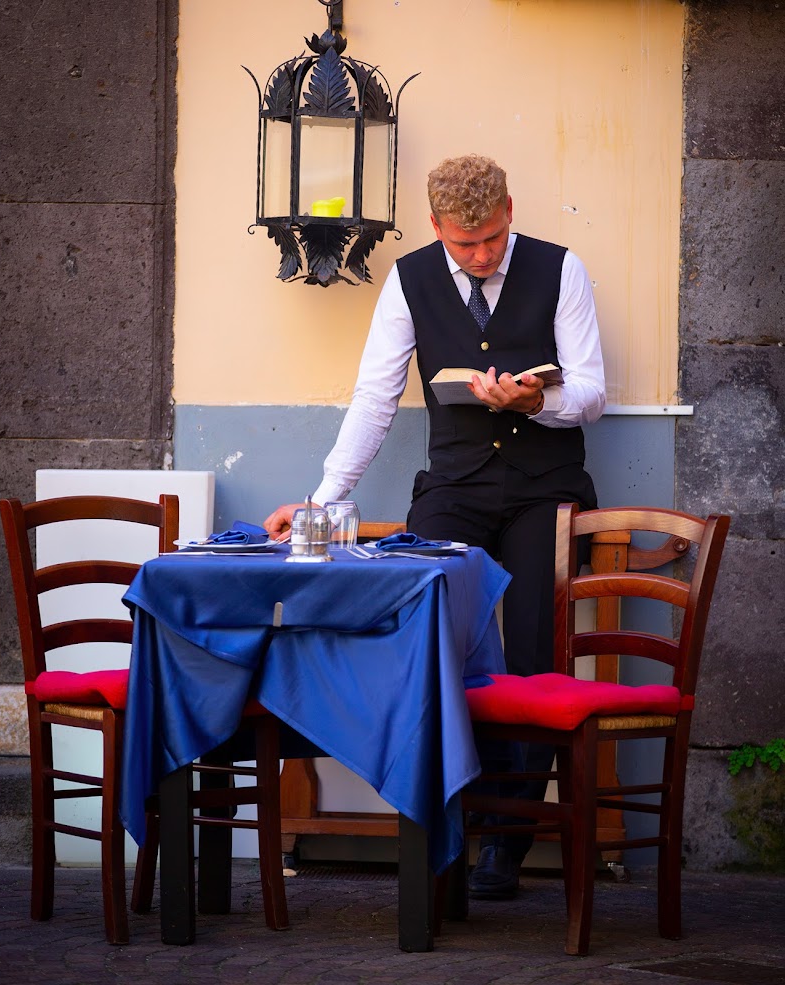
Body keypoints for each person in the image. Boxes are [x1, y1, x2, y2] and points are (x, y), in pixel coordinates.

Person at [265, 153, 605, 899]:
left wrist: (534, 403)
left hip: (545, 489)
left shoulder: (560, 268)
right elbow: (375, 398)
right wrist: (324, 497)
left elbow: (591, 391)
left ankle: (505, 845)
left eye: (489, 237)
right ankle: (448, 822)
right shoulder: (410, 280)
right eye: (463, 242)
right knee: (431, 644)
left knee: (533, 653)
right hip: (454, 489)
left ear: (509, 209)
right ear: (435, 227)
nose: (480, 255)